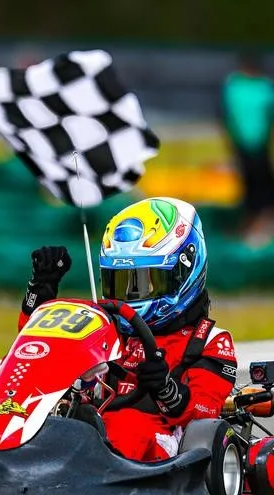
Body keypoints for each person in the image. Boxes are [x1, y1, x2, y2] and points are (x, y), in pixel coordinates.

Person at [18, 197, 238, 462]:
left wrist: (166, 387)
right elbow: (37, 353)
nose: (130, 296)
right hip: (89, 422)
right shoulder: (105, 326)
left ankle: (80, 456)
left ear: (183, 271)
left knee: (126, 425)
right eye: (119, 283)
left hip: (163, 438)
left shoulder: (208, 341)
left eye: (143, 282)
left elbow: (204, 411)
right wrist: (40, 294)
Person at [219, 52, 274, 248]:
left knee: (258, 185)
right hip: (254, 144)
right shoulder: (257, 87)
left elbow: (227, 115)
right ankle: (257, 223)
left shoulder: (239, 86)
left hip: (254, 144)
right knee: (258, 185)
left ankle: (260, 222)